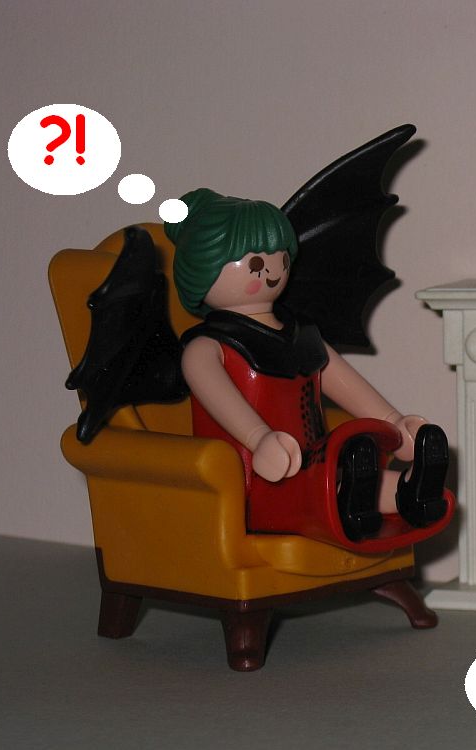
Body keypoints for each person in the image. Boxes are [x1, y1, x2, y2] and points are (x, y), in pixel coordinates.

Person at [167, 188, 451, 552]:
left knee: (357, 471)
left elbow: (347, 383)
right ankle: (354, 503)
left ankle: (409, 494)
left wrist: (396, 423)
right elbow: (222, 401)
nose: (273, 271)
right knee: (342, 474)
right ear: (203, 271)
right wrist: (259, 439)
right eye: (256, 263)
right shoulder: (205, 348)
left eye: (281, 258)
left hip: (315, 463)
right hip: (253, 479)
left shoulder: (301, 335)